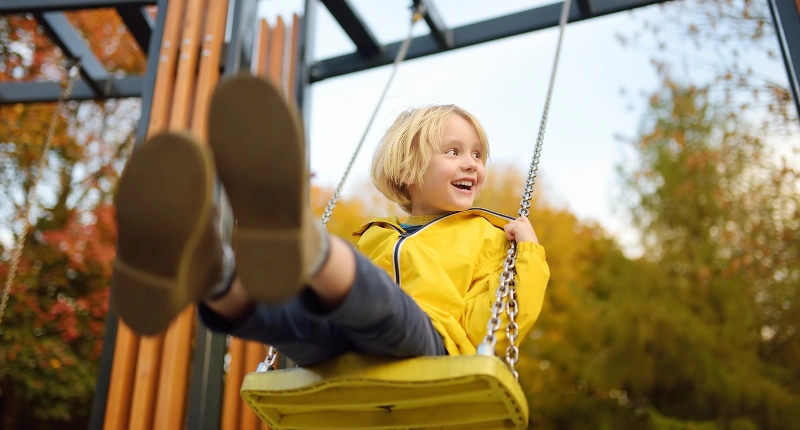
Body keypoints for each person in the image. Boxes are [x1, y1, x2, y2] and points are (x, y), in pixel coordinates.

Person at [110, 75, 550, 366]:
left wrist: (526, 252)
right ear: (407, 168)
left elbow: (492, 324)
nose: (471, 163)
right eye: (453, 151)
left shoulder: (489, 237)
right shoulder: (379, 236)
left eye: (478, 154)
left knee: (382, 304)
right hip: (347, 352)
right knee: (297, 321)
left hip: (429, 347)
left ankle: (304, 240)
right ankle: (212, 274)